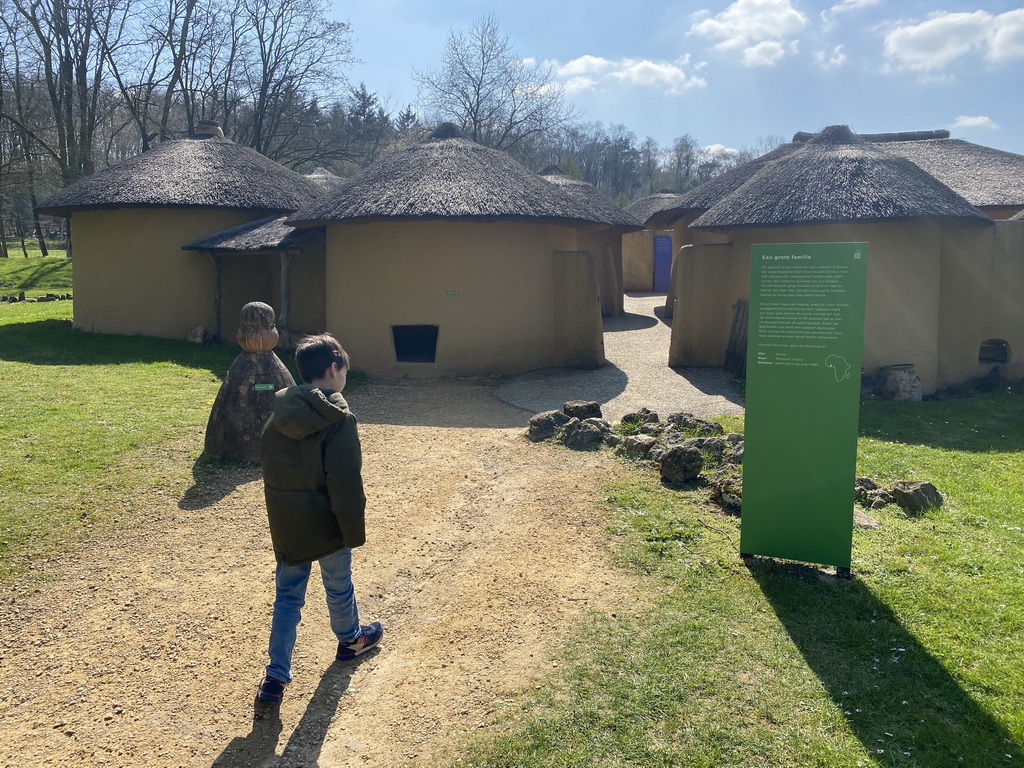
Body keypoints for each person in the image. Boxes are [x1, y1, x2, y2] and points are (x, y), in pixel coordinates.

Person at [256, 333, 383, 704]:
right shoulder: (339, 419)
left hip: (288, 520)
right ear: (333, 368)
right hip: (327, 522)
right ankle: (350, 640)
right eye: (345, 367)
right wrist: (353, 529)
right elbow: (344, 480)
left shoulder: (278, 414)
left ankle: (275, 677)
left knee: (288, 598)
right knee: (338, 584)